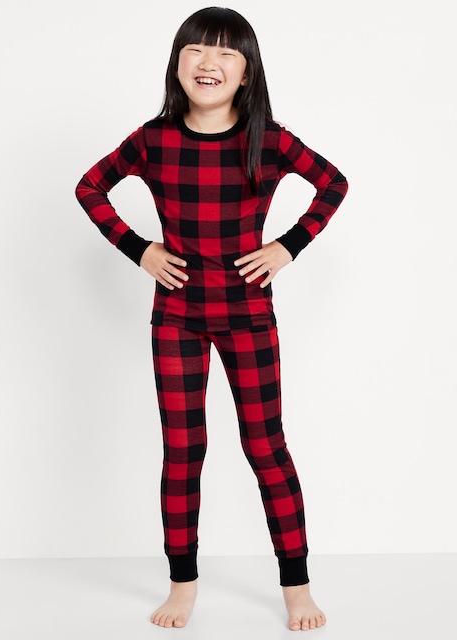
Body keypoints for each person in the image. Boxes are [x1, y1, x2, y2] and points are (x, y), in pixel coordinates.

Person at [75, 6, 348, 632]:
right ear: (178, 64)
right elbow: (90, 187)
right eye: (196, 49)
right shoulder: (154, 139)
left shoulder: (269, 139)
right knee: (183, 451)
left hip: (248, 314)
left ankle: (297, 586)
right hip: (177, 316)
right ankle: (183, 584)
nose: (209, 62)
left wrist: (288, 246)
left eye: (227, 52)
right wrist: (140, 250)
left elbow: (333, 184)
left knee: (266, 448)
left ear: (246, 73)